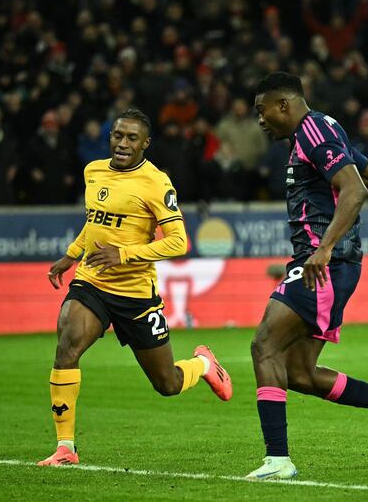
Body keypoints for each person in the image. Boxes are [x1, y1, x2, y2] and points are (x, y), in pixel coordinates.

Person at [248, 72, 368, 480]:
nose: (260, 120)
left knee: (264, 345)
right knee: (300, 374)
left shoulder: (313, 133)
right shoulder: (325, 127)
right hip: (327, 261)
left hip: (326, 263)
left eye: (262, 110)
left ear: (285, 105)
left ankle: (278, 460)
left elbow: (355, 189)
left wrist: (324, 249)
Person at [38, 109, 233, 467]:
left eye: (131, 138)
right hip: (92, 282)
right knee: (67, 343)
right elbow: (95, 223)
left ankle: (204, 364)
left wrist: (124, 254)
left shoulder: (157, 183)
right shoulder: (93, 171)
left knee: (167, 383)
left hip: (135, 295)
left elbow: (179, 242)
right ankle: (66, 446)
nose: (122, 143)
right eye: (117, 135)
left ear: (146, 144)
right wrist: (70, 255)